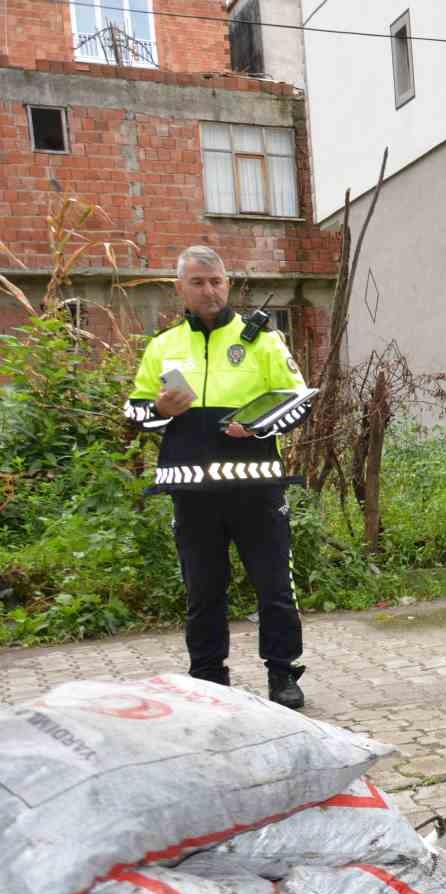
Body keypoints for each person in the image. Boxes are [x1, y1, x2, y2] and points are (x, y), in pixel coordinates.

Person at [124, 246, 315, 709]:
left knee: (274, 585)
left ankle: (282, 674)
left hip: (256, 487)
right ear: (180, 288)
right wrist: (157, 410)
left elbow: (299, 399)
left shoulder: (262, 341)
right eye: (198, 282)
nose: (209, 290)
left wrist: (257, 426)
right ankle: (208, 677)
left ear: (227, 284)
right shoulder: (163, 346)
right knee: (203, 589)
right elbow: (133, 408)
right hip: (192, 492)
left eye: (216, 281)